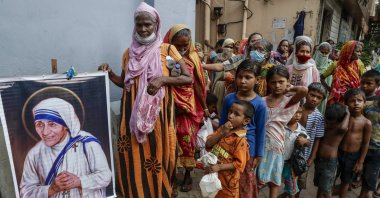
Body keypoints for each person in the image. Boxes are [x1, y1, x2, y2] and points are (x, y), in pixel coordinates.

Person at [98, 3, 192, 197]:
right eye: (139, 24)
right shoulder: (128, 53)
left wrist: (163, 79)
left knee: (159, 150)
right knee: (134, 153)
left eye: (147, 24)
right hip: (132, 114)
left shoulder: (168, 50)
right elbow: (125, 83)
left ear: (156, 25)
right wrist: (110, 73)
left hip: (159, 114)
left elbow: (187, 78)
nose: (143, 29)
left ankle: (161, 189)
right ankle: (136, 191)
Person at [20, 98, 112, 197]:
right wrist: (51, 189)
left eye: (52, 124)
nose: (45, 132)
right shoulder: (34, 154)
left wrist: (78, 181)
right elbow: (25, 193)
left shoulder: (87, 143)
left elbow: (105, 176)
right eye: (39, 125)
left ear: (66, 125)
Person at [163, 24, 208, 192]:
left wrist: (204, 107)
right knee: (170, 142)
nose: (182, 49)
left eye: (185, 45)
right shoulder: (163, 58)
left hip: (188, 109)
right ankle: (171, 178)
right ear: (169, 42)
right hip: (169, 107)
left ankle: (188, 175)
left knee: (187, 141)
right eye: (178, 45)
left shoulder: (193, 59)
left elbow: (197, 85)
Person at [257, 66, 308, 198]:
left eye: (281, 82)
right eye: (273, 82)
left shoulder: (288, 101)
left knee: (274, 181)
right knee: (256, 179)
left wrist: (290, 88)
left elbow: (304, 90)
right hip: (260, 144)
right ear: (268, 83)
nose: (277, 85)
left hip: (277, 145)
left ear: (287, 81)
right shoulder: (261, 101)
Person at [219, 60, 267, 198]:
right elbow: (223, 124)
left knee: (244, 182)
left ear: (257, 80)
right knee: (227, 180)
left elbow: (261, 130)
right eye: (239, 77)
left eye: (248, 77)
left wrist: (258, 154)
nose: (243, 81)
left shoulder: (260, 104)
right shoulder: (229, 99)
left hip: (247, 150)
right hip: (227, 147)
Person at [205, 100, 252, 198]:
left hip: (227, 184)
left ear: (246, 121)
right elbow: (208, 144)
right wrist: (222, 132)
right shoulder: (223, 128)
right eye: (230, 112)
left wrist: (219, 167)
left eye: (236, 114)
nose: (230, 116)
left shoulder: (240, 139)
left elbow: (240, 164)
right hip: (214, 177)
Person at [339, 89, 372, 198]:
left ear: (364, 103)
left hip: (353, 157)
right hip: (338, 153)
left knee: (345, 182)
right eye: (352, 101)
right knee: (330, 178)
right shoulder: (343, 118)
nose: (356, 103)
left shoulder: (366, 123)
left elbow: (366, 143)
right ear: (346, 103)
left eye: (359, 100)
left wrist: (360, 162)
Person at [314, 103, 350, 198]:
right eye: (327, 120)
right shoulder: (326, 126)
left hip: (330, 163)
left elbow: (343, 127)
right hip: (319, 160)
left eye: (332, 121)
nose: (329, 123)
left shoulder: (339, 129)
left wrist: (347, 112)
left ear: (339, 120)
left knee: (327, 190)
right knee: (321, 186)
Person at [297, 82, 326, 194]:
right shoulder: (297, 108)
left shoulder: (319, 117)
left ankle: (295, 194)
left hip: (305, 154)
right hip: (290, 148)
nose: (314, 99)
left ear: (322, 100)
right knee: (288, 176)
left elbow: (318, 138)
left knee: (301, 179)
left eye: (319, 97)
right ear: (306, 94)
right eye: (312, 95)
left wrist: (312, 158)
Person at [283, 103, 310, 198]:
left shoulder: (301, 130)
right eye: (294, 112)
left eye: (300, 113)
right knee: (273, 183)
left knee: (292, 188)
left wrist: (305, 141)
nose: (298, 115)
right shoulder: (282, 126)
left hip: (292, 164)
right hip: (279, 160)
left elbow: (308, 143)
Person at [360, 97, 380, 198]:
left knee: (369, 178)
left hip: (377, 151)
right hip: (360, 145)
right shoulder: (367, 105)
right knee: (354, 171)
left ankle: (363, 195)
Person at [314, 42, 333, 114]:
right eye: (322, 52)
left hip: (323, 94)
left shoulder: (330, 65)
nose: (324, 55)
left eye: (326, 53)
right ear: (318, 51)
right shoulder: (311, 64)